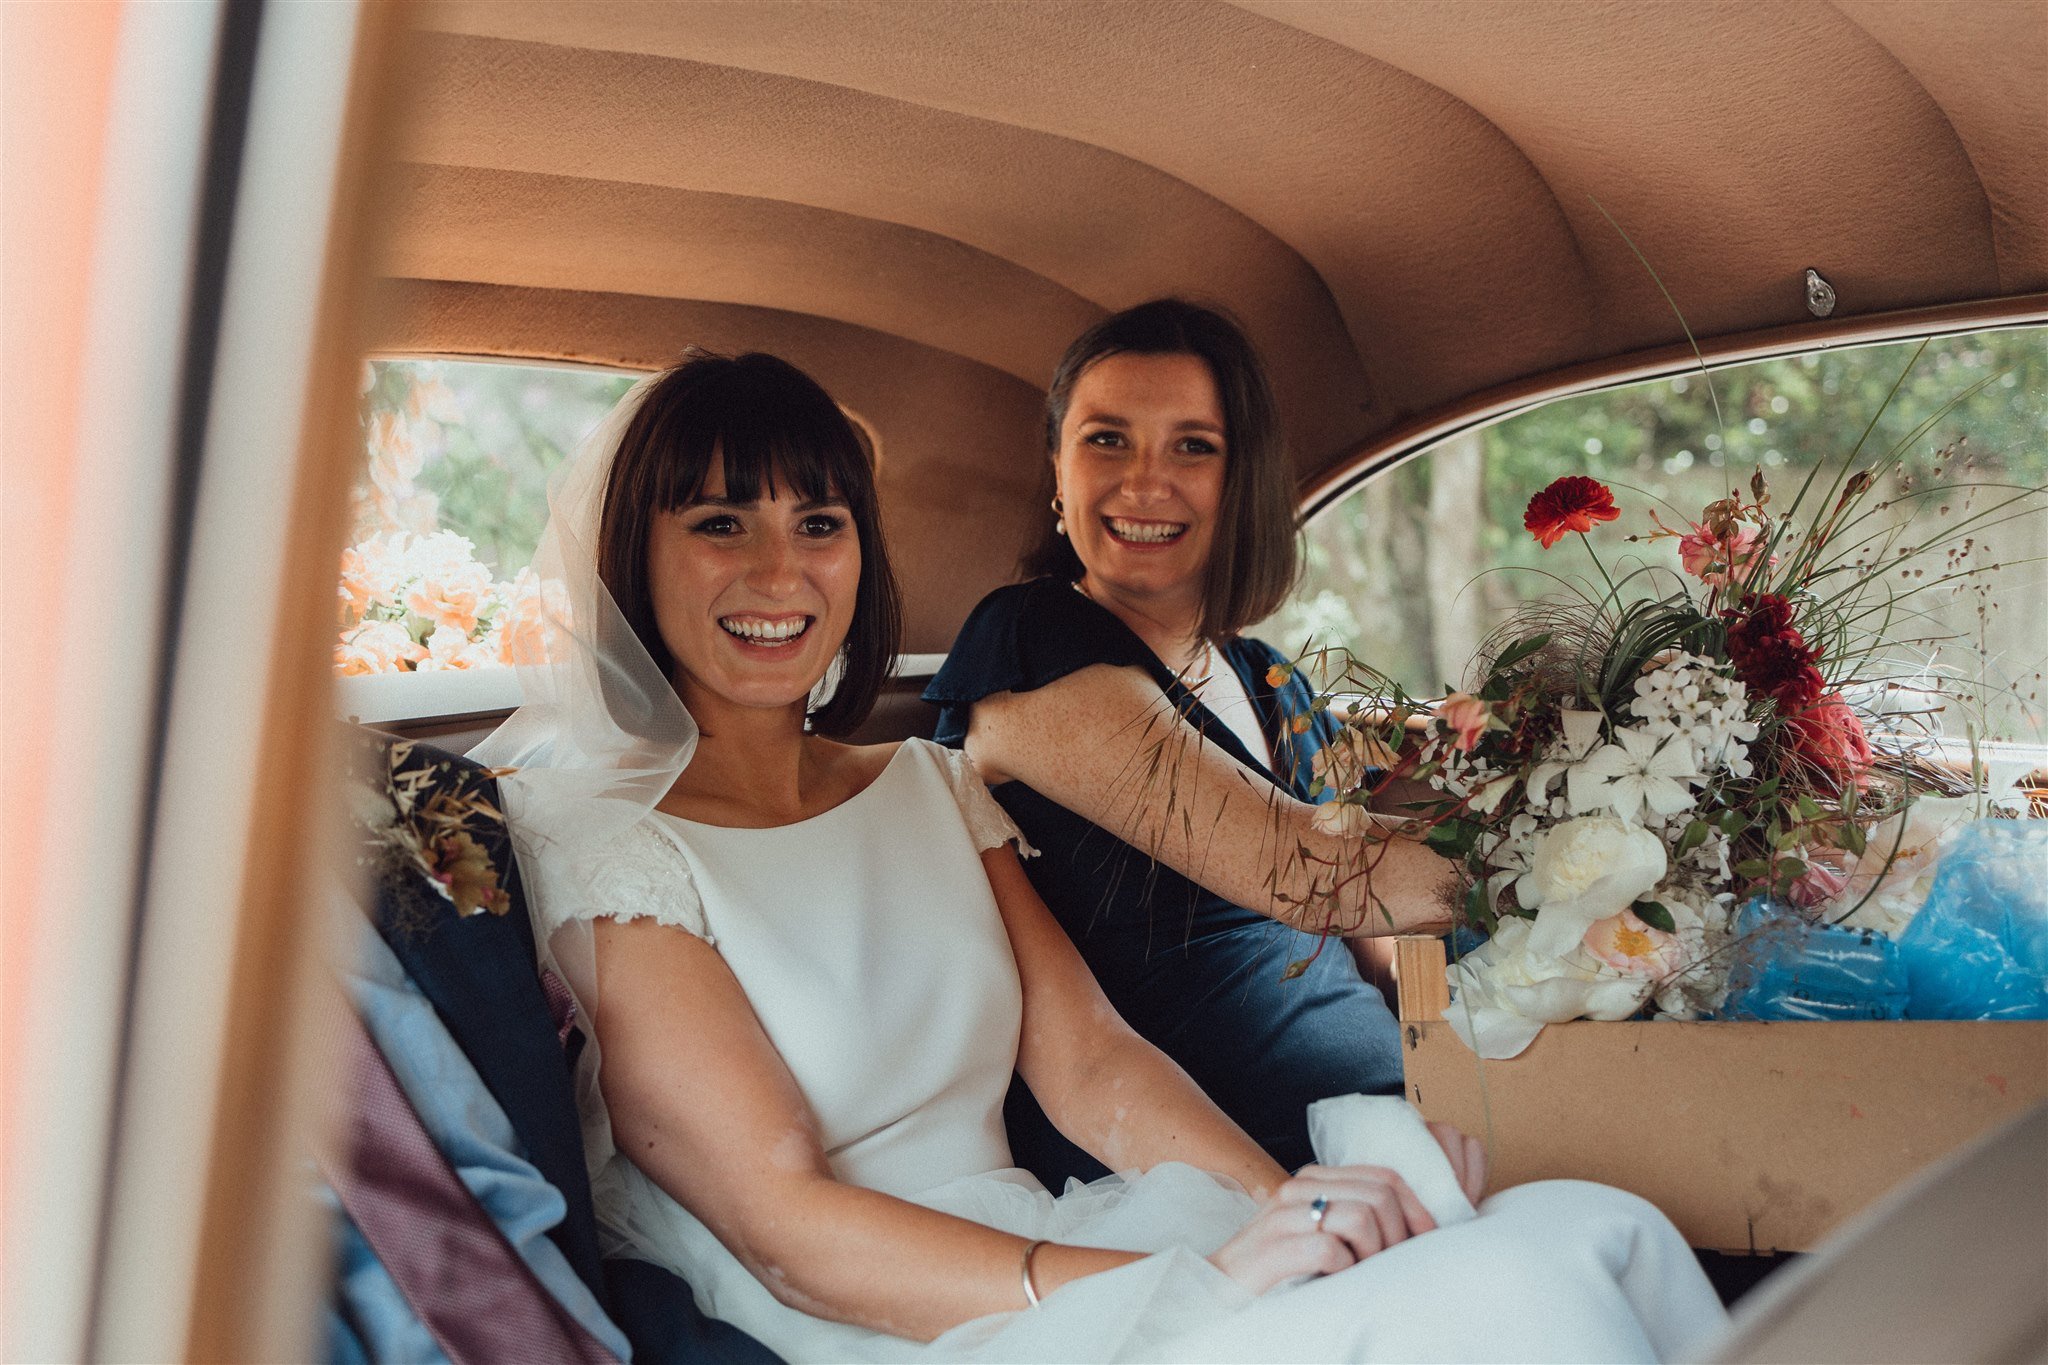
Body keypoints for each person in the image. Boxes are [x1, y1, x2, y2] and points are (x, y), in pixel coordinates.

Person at [473, 351, 1726, 1363]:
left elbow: (1090, 1066)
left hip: (1062, 1237)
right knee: (1515, 1306)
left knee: (1589, 1227)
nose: (777, 570)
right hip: (891, 1317)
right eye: (716, 522)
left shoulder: (925, 783)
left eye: (818, 521)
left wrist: (1292, 1212)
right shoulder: (605, 848)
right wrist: (1180, 1285)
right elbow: (785, 1226)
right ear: (632, 558)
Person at [925, 299, 1448, 1186]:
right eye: (1106, 440)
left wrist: (1474, 1060)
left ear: (1239, 478)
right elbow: (1310, 874)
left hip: (1391, 1115)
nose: (1143, 482)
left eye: (1193, 446)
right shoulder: (1028, 646)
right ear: (1057, 466)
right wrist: (1565, 864)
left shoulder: (1267, 675)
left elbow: (1381, 945)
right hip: (1215, 1166)